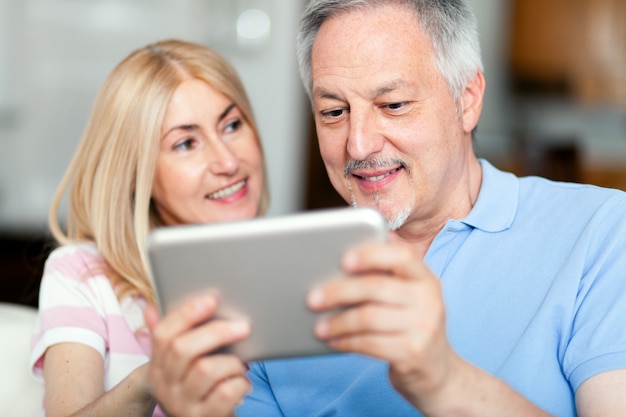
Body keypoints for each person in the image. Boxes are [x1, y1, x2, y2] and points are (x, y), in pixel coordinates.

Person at [145, 1, 626, 416]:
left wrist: (445, 382)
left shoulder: (601, 232)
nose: (358, 143)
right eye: (333, 112)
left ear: (468, 99)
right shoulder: (266, 279)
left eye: (393, 104)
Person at [29, 39, 269, 417]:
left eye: (232, 125)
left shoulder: (286, 268)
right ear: (136, 174)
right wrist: (154, 380)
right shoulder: (82, 274)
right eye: (186, 143)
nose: (227, 161)